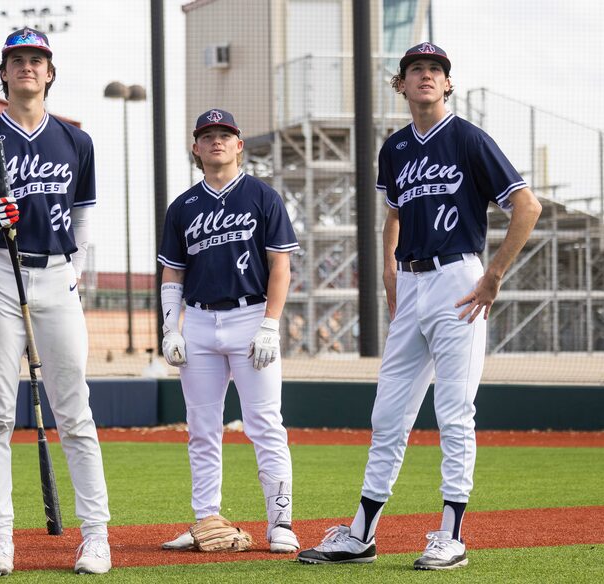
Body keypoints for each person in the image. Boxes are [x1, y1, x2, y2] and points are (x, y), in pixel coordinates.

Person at [297, 42, 542, 570]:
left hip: (459, 280)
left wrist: (493, 274)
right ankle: (362, 533)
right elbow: (393, 214)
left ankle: (451, 534)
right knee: (388, 415)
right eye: (416, 70)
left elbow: (527, 205)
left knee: (454, 412)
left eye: (436, 69)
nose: (426, 76)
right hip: (410, 286)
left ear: (447, 84)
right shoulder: (395, 148)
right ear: (401, 84)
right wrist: (389, 272)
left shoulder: (469, 139)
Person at [0, 27, 111, 576]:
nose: (27, 68)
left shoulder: (76, 141)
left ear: (50, 71)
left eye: (36, 59)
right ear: (4, 74)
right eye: (16, 60)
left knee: (75, 411)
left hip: (58, 276)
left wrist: (78, 272)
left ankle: (95, 537)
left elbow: (84, 217)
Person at [157, 109, 301, 554]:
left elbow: (281, 265)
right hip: (198, 322)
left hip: (250, 316)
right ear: (196, 148)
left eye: (225, 134)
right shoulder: (182, 207)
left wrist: (270, 323)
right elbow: (172, 273)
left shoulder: (262, 196)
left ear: (239, 145)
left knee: (264, 424)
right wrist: (171, 327)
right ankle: (206, 521)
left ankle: (280, 524)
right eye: (207, 135)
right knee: (202, 428)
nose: (216, 141)